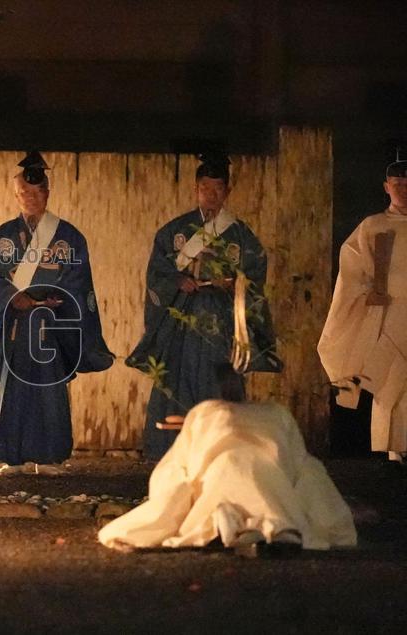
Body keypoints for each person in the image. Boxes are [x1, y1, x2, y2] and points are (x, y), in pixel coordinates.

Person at [0, 151, 113, 475]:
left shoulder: (69, 236)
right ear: (16, 195)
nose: (30, 198)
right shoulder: (3, 235)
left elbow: (78, 279)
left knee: (48, 388)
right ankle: (12, 457)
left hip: (51, 325)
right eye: (23, 194)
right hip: (15, 325)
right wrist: (10, 298)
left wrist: (52, 299)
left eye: (36, 192)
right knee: (10, 388)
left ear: (47, 192)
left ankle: (48, 457)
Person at [98, 366, 357, 554]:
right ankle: (278, 526)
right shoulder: (274, 412)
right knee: (273, 501)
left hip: (220, 476)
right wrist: (328, 516)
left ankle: (228, 524)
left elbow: (177, 470)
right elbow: (303, 465)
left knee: (218, 501)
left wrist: (161, 513)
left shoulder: (204, 413)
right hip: (270, 477)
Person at [126, 153, 281, 461]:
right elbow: (157, 273)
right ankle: (172, 452)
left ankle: (222, 452)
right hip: (182, 322)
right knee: (178, 381)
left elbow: (254, 276)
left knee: (220, 382)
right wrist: (177, 281)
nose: (211, 195)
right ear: (196, 189)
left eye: (218, 188)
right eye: (205, 188)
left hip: (222, 323)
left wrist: (234, 284)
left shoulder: (241, 235)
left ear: (227, 191)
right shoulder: (175, 232)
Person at [318, 156, 407, 467]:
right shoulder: (373, 226)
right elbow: (352, 269)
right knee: (389, 379)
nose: (403, 190)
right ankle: (394, 451)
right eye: (397, 185)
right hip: (388, 316)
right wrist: (368, 290)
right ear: (386, 188)